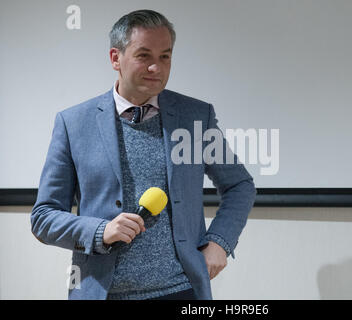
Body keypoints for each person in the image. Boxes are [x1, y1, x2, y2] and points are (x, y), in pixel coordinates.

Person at [30, 9, 256, 300]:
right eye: (144, 56)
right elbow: (44, 217)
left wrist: (220, 242)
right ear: (116, 58)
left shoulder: (195, 117)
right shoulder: (74, 123)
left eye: (165, 56)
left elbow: (239, 185)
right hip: (103, 293)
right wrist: (100, 231)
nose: (156, 68)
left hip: (181, 291)